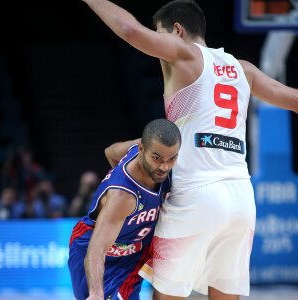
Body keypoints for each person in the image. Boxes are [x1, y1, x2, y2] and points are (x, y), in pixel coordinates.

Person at [81, 1, 298, 299]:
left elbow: (130, 30)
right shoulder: (243, 69)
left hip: (196, 194)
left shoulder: (184, 53)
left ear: (178, 31)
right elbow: (294, 100)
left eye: (161, 35)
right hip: (242, 200)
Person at [68, 119, 181, 300]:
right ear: (142, 149)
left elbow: (110, 152)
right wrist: (96, 294)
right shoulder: (123, 196)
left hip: (133, 253)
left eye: (172, 158)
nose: (164, 167)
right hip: (92, 245)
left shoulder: (139, 148)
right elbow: (96, 250)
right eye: (157, 158)